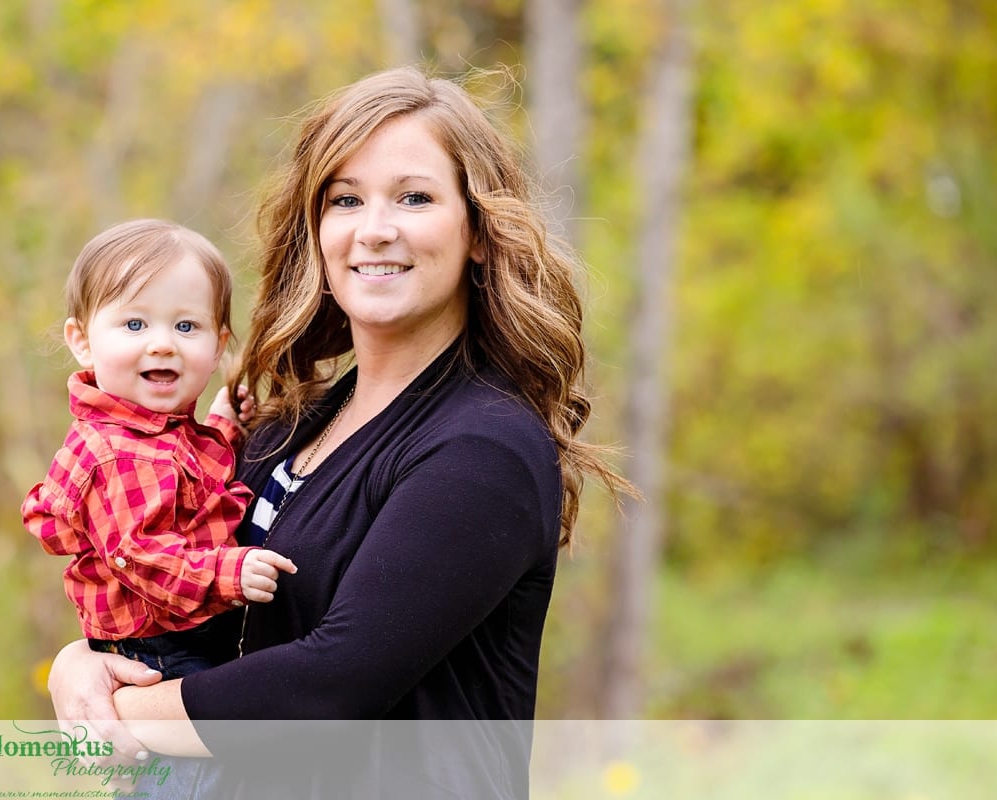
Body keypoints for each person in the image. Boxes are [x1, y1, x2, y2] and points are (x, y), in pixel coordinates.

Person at [47, 67, 630, 798]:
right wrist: (84, 663)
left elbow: (329, 688)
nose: (374, 228)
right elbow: (197, 614)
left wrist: (119, 712)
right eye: (346, 200)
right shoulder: (280, 428)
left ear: (478, 233)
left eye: (414, 197)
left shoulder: (483, 447)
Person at [24, 219, 296, 796]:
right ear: (82, 340)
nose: (162, 342)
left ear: (219, 344)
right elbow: (139, 554)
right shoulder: (115, 453)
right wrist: (227, 571)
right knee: (197, 775)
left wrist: (225, 422)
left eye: (187, 325)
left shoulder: (156, 432)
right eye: (134, 323)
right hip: (161, 653)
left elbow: (189, 483)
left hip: (182, 638)